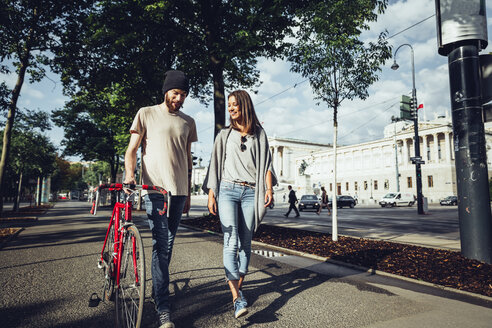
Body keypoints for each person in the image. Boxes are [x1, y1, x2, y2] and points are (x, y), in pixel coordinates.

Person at [123, 70, 197, 328]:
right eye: (176, 93)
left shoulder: (188, 121)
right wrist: (130, 175)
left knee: (168, 245)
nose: (179, 98)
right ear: (166, 91)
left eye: (184, 94)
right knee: (160, 243)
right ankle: (163, 307)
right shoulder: (146, 113)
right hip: (154, 189)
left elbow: (188, 159)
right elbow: (132, 150)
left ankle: (157, 291)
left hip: (179, 191)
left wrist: (187, 191)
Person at [203, 89, 276, 319]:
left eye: (235, 104)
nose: (231, 108)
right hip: (227, 189)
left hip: (251, 192)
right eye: (229, 105)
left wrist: (269, 188)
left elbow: (267, 165)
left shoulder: (259, 134)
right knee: (231, 239)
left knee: (246, 243)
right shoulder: (224, 134)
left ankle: (237, 289)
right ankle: (237, 298)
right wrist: (211, 193)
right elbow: (214, 164)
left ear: (244, 105)